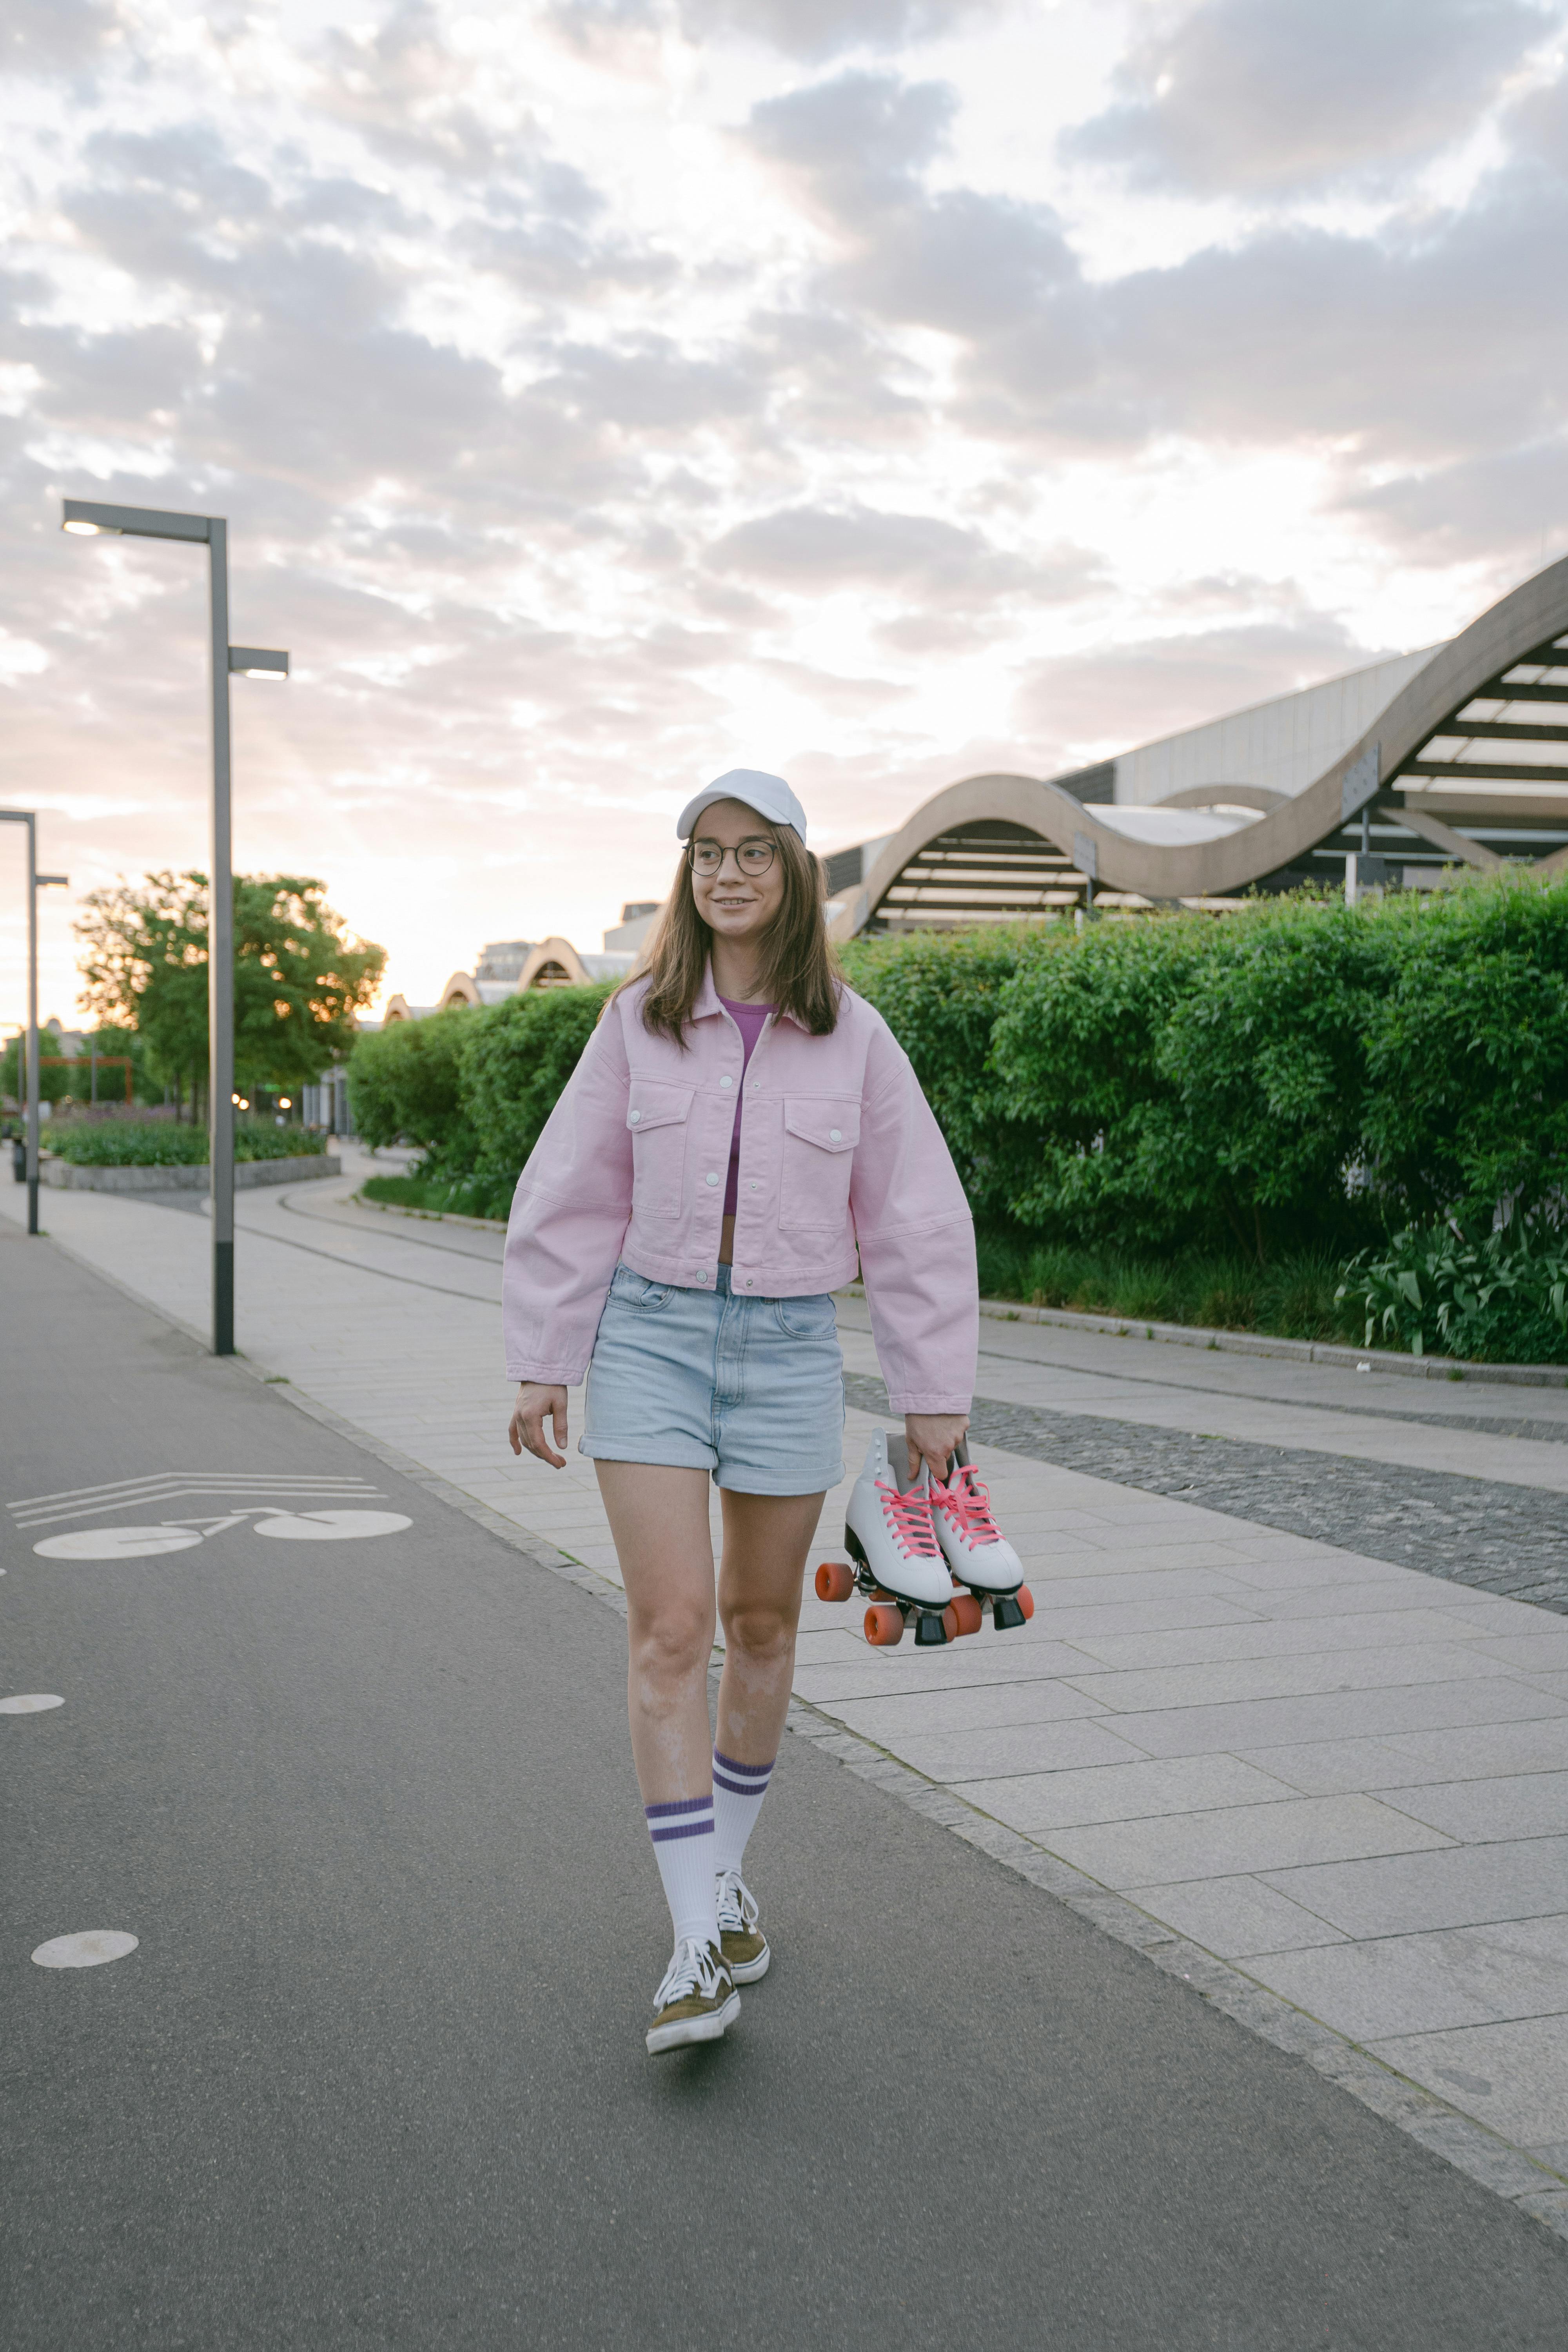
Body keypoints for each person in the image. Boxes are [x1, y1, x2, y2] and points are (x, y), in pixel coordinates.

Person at [503, 769, 978, 2053]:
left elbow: (918, 1221)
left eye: (750, 854)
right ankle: (692, 1945)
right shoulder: (635, 1022)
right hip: (650, 1339)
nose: (725, 874)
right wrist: (547, 1357)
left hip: (785, 1352)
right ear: (686, 876)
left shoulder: (856, 1038)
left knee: (762, 1628)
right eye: (705, 854)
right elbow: (572, 1190)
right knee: (672, 1630)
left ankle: (724, 1881)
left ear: (793, 874)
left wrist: (934, 1394)